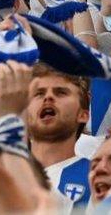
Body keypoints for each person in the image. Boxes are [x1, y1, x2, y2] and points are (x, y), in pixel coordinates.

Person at [25, 63, 93, 208]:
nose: (48, 97)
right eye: (39, 93)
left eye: (61, 92)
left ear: (83, 115)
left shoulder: (97, 176)